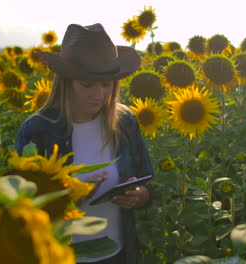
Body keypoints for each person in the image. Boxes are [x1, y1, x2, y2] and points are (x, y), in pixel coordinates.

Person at [15, 23, 153, 264]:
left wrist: (139, 195)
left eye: (105, 85)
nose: (98, 95)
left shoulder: (124, 122)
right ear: (66, 82)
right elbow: (21, 207)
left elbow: (147, 179)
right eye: (87, 85)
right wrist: (69, 197)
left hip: (118, 251)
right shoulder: (37, 131)